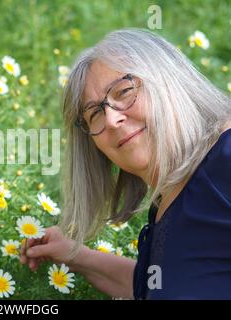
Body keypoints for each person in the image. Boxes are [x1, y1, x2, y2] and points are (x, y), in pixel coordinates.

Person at [20, 28, 231, 299]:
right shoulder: (166, 203)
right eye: (95, 112)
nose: (110, 119)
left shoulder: (225, 158)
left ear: (168, 81)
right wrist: (76, 255)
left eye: (124, 91)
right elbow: (159, 287)